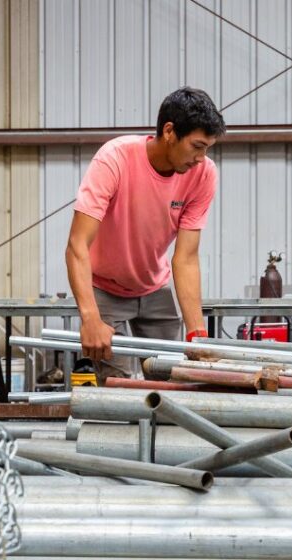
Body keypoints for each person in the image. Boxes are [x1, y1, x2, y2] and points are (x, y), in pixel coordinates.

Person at [65, 86, 225, 379]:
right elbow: (77, 245)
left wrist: (197, 334)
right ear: (169, 131)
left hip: (155, 287)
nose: (201, 158)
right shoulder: (115, 159)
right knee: (117, 387)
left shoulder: (204, 174)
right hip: (105, 287)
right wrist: (90, 317)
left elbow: (186, 258)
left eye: (207, 149)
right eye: (197, 146)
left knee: (170, 380)